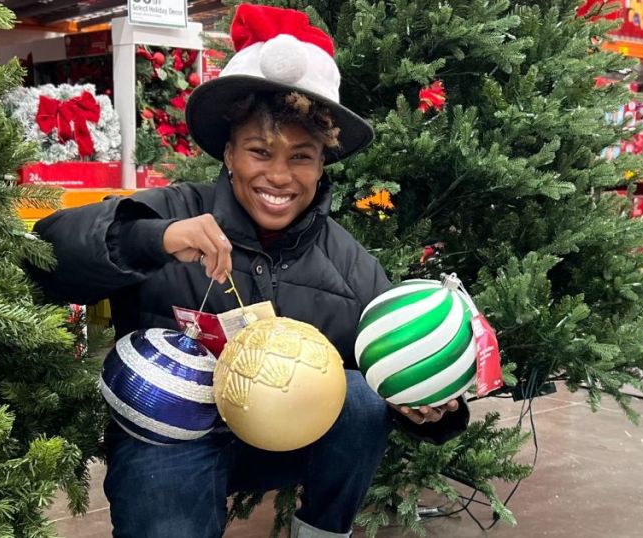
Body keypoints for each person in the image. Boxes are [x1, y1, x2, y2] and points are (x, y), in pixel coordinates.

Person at [28, 4, 469, 537]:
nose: (279, 176)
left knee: (358, 397)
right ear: (230, 153)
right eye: (260, 151)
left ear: (323, 163)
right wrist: (155, 239)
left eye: (301, 157)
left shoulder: (348, 263)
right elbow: (48, 255)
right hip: (170, 436)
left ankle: (324, 531)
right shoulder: (172, 212)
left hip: (282, 440)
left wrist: (433, 410)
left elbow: (393, 370)